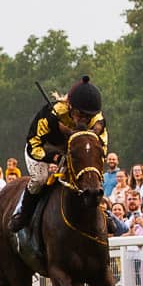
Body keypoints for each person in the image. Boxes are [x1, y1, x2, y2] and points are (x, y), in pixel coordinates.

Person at [16, 76, 106, 235]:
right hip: (43, 149)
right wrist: (55, 158)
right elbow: (33, 143)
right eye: (80, 114)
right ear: (70, 106)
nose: (83, 119)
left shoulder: (98, 120)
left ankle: (105, 216)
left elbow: (100, 149)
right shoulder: (50, 115)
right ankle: (24, 214)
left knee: (90, 180)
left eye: (88, 116)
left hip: (74, 152)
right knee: (40, 179)